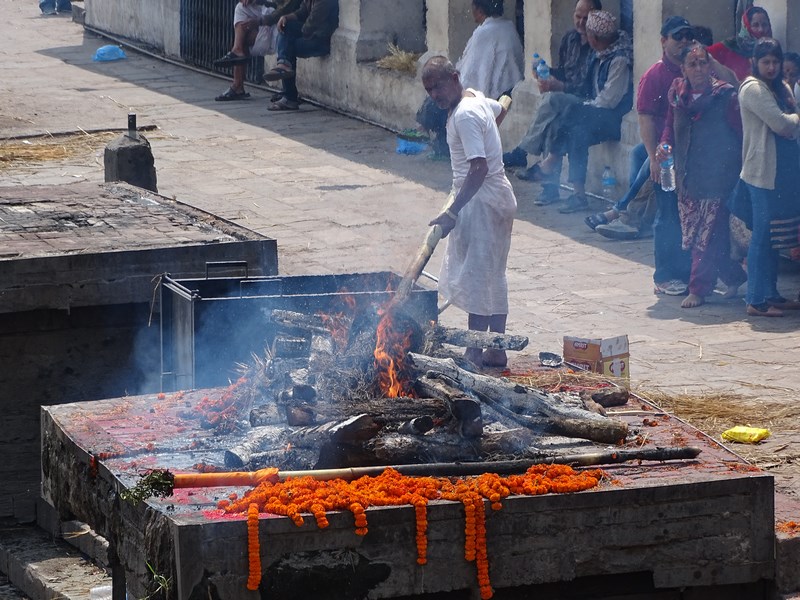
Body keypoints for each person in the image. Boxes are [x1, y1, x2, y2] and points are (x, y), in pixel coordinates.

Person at [421, 57, 517, 368]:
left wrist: (453, 211)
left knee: (478, 274)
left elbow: (478, 167)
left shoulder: (464, 114)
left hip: (481, 200)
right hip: (498, 197)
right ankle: (497, 348)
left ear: (455, 77)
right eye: (429, 89)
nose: (435, 94)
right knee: (493, 273)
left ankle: (475, 350)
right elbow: (499, 109)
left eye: (438, 86)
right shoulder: (474, 98)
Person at [513, 10, 633, 214]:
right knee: (575, 131)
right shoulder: (597, 53)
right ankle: (577, 195)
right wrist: (548, 73)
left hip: (611, 117)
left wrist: (583, 107)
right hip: (593, 113)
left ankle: (547, 166)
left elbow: (608, 101)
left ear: (595, 38)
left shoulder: (618, 59)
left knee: (570, 112)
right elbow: (578, 82)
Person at [657, 43, 746, 309]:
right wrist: (664, 147)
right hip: (687, 178)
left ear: (710, 66)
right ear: (683, 68)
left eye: (703, 63)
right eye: (692, 64)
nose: (698, 69)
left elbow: (741, 135)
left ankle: (698, 288)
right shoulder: (677, 94)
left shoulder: (725, 96)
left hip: (718, 178)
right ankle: (734, 276)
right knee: (707, 236)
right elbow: (670, 129)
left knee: (705, 237)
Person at [503, 0, 601, 204]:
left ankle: (523, 151)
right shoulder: (570, 39)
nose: (581, 22)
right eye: (578, 16)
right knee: (552, 124)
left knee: (552, 99)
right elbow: (565, 72)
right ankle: (550, 188)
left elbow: (588, 87)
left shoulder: (597, 44)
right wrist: (545, 73)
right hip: (565, 99)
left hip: (586, 102)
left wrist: (560, 87)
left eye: (586, 18)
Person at [738, 38, 800, 317]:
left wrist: (792, 119)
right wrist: (796, 117)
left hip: (782, 172)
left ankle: (771, 294)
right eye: (766, 62)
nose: (772, 67)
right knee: (762, 236)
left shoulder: (779, 87)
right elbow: (781, 123)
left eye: (776, 61)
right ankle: (755, 300)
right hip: (761, 172)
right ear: (756, 62)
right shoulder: (753, 89)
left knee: (774, 236)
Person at [417, 0, 524, 159]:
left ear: (479, 9)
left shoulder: (485, 32)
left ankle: (443, 146)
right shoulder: (507, 26)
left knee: (436, 103)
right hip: (508, 88)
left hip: (497, 92)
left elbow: (469, 74)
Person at [637, 16, 695, 296]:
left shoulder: (693, 71)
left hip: (691, 157)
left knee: (687, 215)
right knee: (668, 216)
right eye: (677, 36)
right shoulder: (655, 75)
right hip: (667, 157)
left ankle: (687, 273)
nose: (684, 40)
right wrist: (653, 157)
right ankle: (664, 275)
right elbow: (645, 118)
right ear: (663, 40)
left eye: (688, 35)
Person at [213, 0, 302, 102]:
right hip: (271, 15)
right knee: (241, 8)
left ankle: (238, 84)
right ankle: (237, 50)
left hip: (283, 22)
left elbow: (284, 10)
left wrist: (259, 21)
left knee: (245, 38)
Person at [262, 0, 339, 111]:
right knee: (286, 31)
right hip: (310, 35)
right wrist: (286, 18)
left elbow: (311, 25)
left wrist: (290, 36)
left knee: (287, 47)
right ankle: (283, 65)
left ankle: (289, 96)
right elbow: (302, 11)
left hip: (320, 40)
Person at [708, 6, 772, 82]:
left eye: (764, 25)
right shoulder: (729, 46)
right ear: (746, 26)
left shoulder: (772, 50)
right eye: (755, 25)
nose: (761, 29)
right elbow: (704, 56)